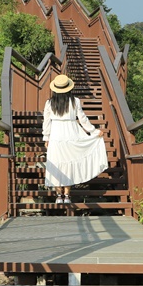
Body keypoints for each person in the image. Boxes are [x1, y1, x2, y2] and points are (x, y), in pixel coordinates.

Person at [42, 74, 107, 204]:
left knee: (56, 164)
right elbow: (82, 119)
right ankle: (67, 196)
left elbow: (46, 122)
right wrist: (93, 131)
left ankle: (58, 196)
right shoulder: (75, 101)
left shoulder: (49, 103)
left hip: (56, 136)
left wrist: (46, 137)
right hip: (72, 133)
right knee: (69, 163)